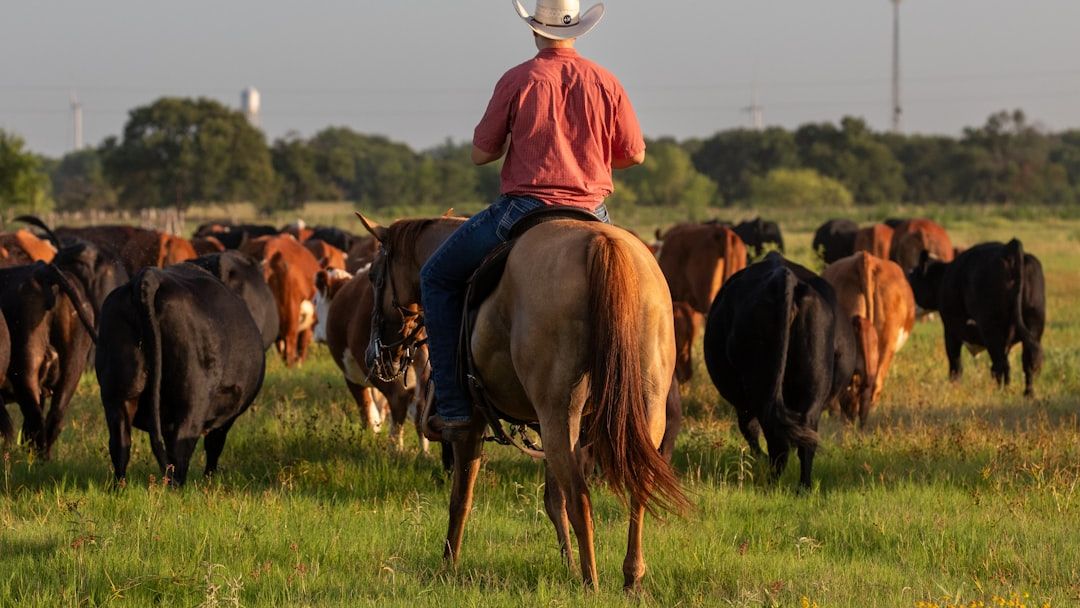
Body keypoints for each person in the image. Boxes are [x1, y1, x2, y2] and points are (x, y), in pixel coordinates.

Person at [421, 0, 646, 441]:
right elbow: (634, 153)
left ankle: (451, 406)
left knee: (437, 278)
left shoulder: (519, 78)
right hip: (592, 213)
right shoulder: (606, 81)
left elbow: (481, 153)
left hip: (523, 209)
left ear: (534, 31)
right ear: (577, 31)